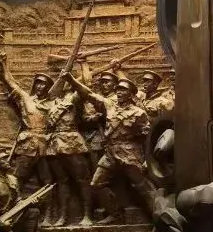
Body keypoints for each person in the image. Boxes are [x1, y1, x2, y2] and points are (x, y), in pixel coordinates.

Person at [66, 73, 157, 222]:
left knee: (143, 186)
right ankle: (115, 215)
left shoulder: (139, 113)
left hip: (129, 153)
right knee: (96, 184)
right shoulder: (109, 106)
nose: (119, 92)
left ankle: (158, 217)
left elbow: (147, 138)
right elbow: (89, 94)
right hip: (110, 153)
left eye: (123, 90)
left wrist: (148, 159)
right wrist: (71, 79)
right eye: (118, 90)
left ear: (131, 95)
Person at [0, 53, 53, 194]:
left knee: (47, 180)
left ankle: (46, 205)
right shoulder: (26, 98)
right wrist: (3, 63)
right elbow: (10, 81)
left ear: (48, 87)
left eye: (43, 84)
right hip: (27, 145)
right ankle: (13, 200)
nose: (40, 86)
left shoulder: (53, 103)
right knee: (17, 177)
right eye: (38, 83)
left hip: (44, 146)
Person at [45, 79, 93, 226]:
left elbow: (86, 92)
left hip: (72, 141)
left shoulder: (74, 97)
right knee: (62, 181)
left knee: (82, 179)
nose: (63, 82)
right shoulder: (53, 101)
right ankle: (63, 216)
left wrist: (70, 76)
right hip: (55, 143)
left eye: (66, 81)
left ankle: (87, 215)